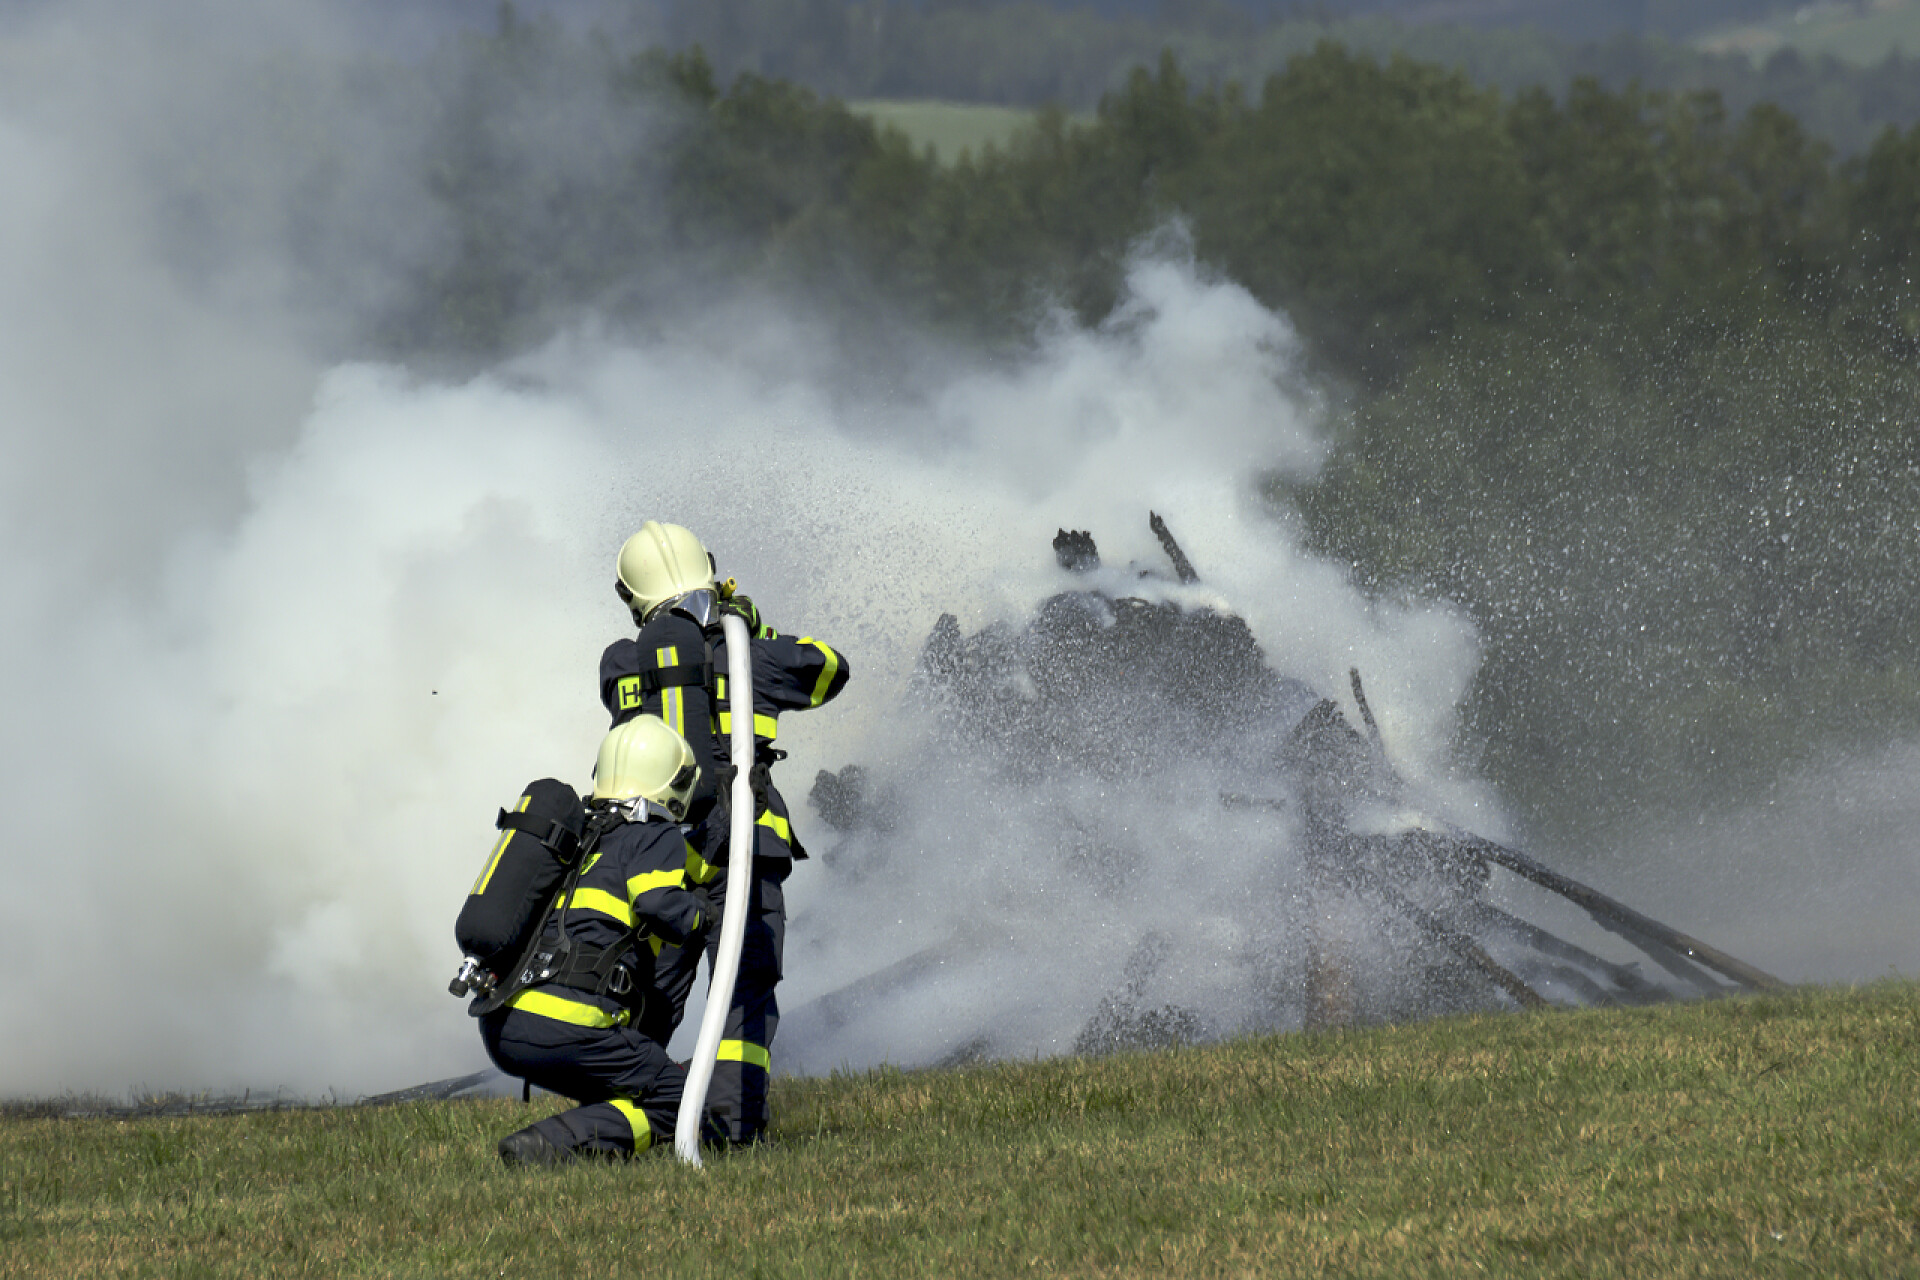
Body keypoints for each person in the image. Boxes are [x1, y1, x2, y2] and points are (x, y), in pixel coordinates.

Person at [598, 520, 850, 1144]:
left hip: (658, 852)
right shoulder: (752, 656)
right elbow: (830, 670)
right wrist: (748, 625)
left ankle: (635, 1122)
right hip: (746, 842)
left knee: (649, 996)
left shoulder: (622, 663)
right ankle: (736, 1129)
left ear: (632, 596)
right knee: (745, 988)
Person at [481, 715, 718, 1166]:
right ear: (673, 781)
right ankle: (549, 1145)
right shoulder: (653, 835)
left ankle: (586, 1139)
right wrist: (704, 913)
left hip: (504, 1022)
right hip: (569, 1024)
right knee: (684, 1102)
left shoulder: (578, 839)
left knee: (629, 1092)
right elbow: (659, 907)